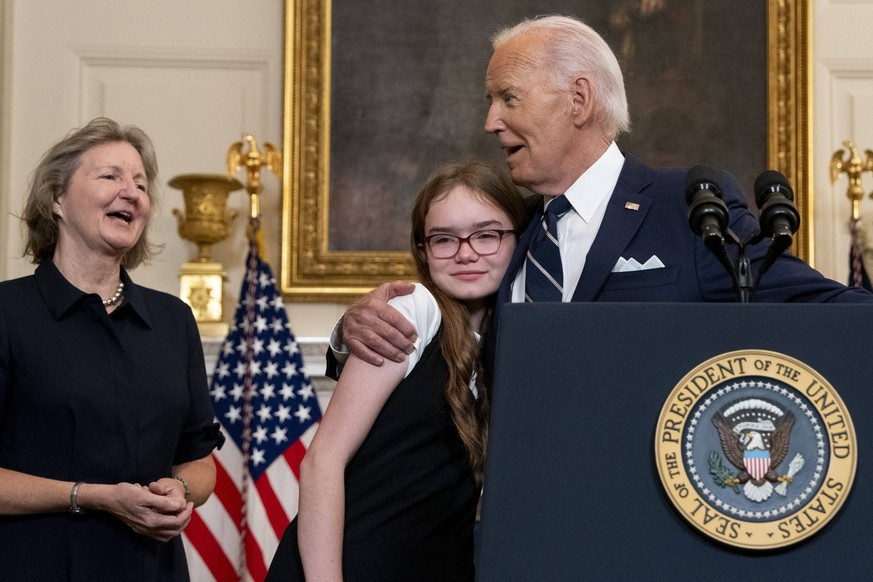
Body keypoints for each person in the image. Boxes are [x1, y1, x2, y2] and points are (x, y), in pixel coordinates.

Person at [329, 14, 873, 375]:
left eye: (508, 98)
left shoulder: (684, 208)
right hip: (515, 524)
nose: (491, 121)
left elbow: (834, 313)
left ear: (579, 100)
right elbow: (441, 350)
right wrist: (349, 332)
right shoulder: (504, 230)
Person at [265, 159, 527, 581]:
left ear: (517, 237)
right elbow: (322, 462)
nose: (466, 252)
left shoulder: (506, 346)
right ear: (422, 250)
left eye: (487, 235)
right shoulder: (413, 310)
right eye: (444, 239)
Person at [0, 117, 224, 580]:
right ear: (57, 199)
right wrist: (95, 496)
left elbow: (199, 460)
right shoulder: (7, 312)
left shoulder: (173, 321)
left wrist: (178, 488)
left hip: (151, 568)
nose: (133, 193)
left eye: (141, 184)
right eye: (110, 176)